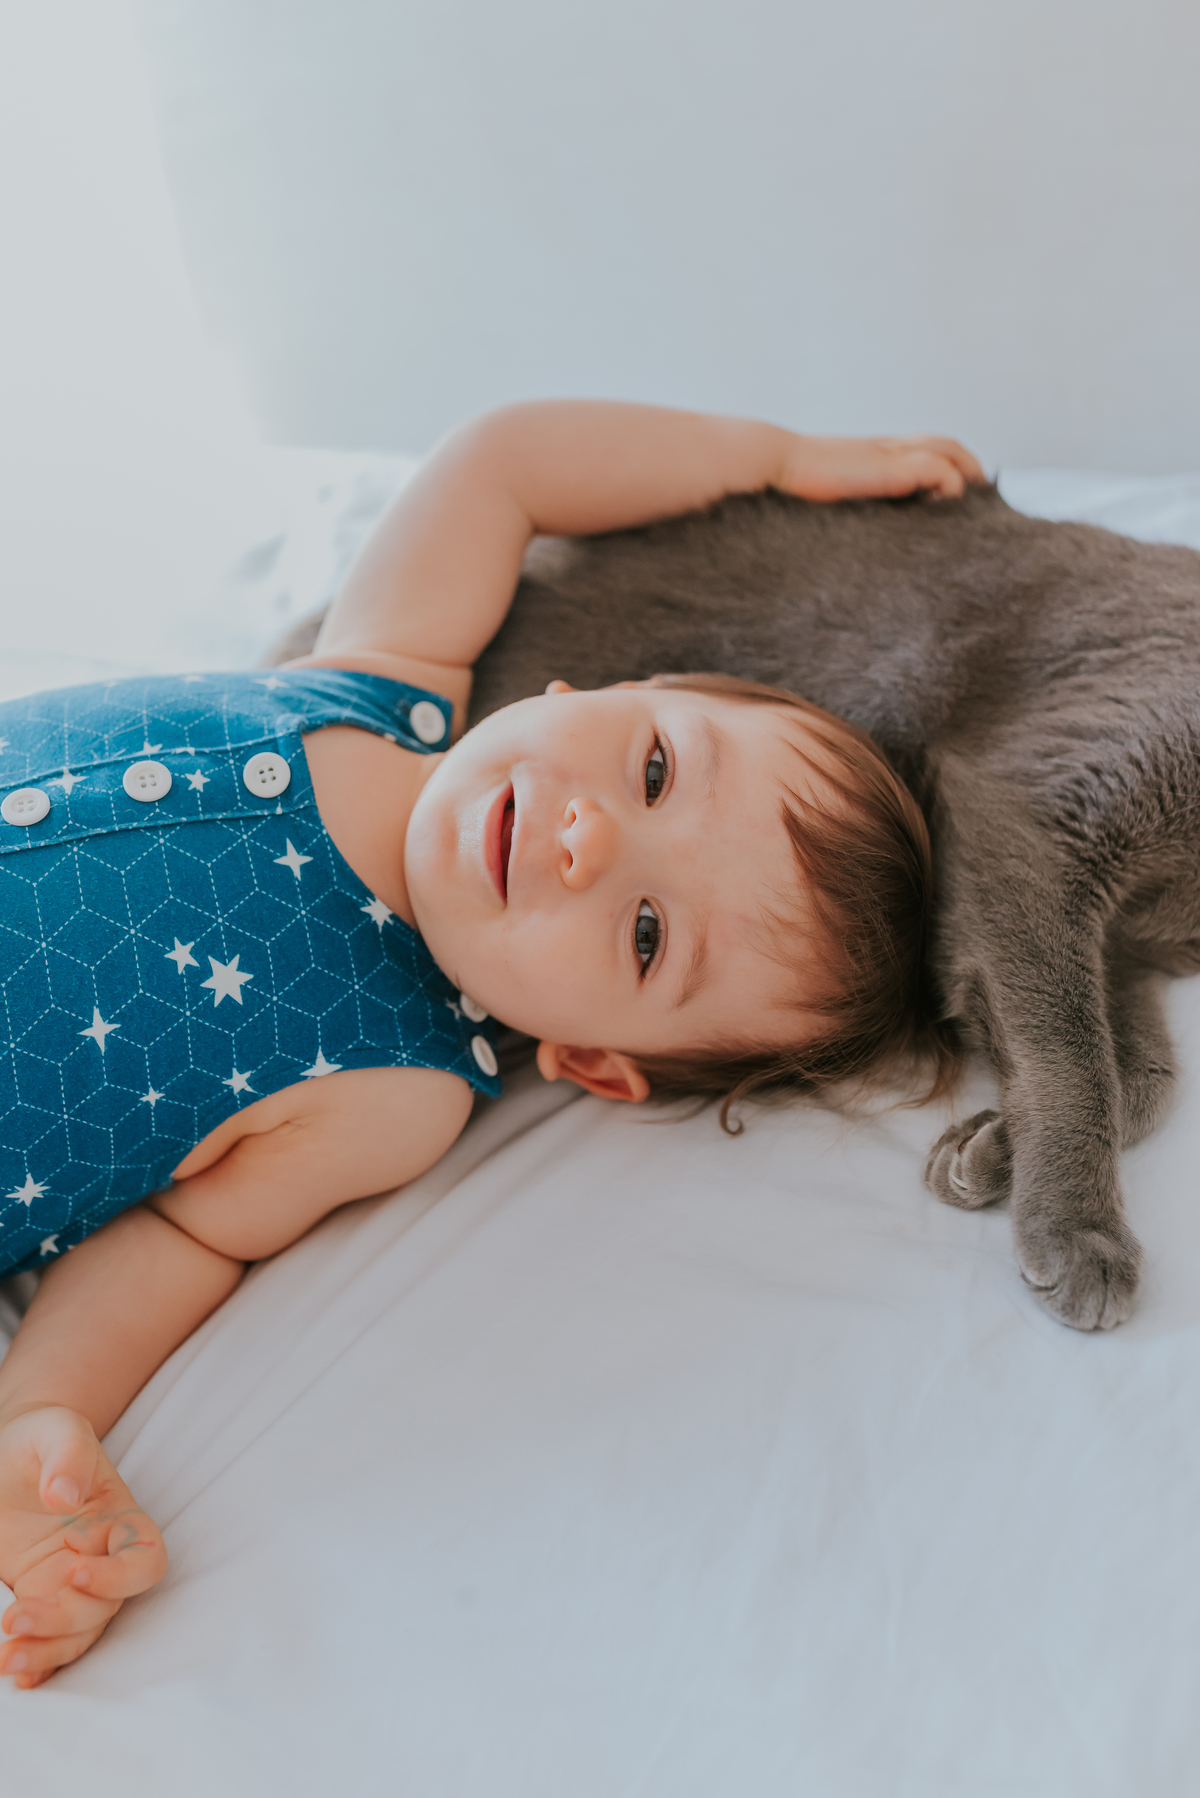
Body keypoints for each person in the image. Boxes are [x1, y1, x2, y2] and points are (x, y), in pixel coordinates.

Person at [0, 400, 983, 1685]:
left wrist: (40, 1420)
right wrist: (785, 461)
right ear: (609, 691)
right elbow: (507, 462)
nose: (590, 840)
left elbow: (180, 1235)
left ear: (588, 1062)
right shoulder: (383, 679)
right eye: (653, 772)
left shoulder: (391, 1088)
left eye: (644, 935)